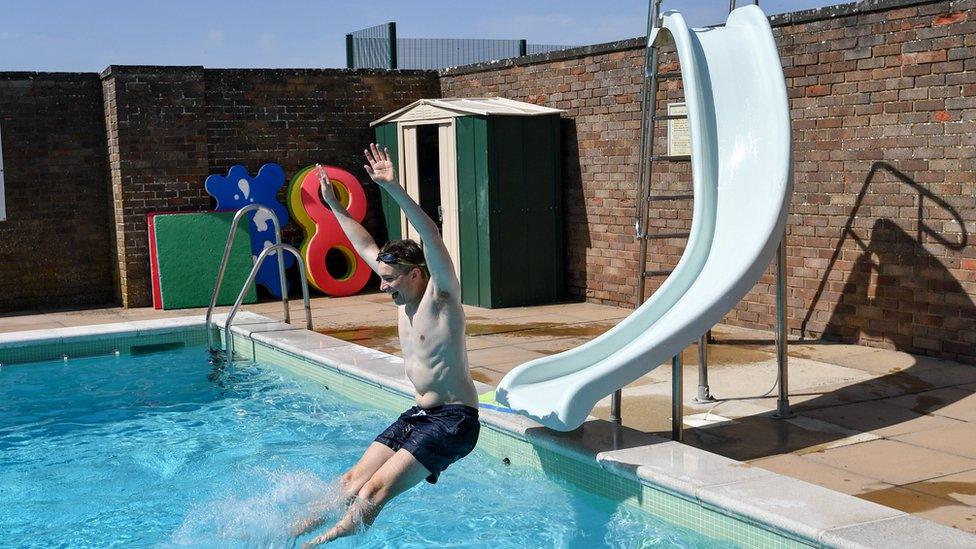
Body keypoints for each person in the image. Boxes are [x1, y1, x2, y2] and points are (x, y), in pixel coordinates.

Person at [293, 144, 480, 547]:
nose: (383, 286)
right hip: (419, 414)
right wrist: (334, 208)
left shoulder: (442, 298)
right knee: (348, 484)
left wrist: (392, 187)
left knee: (371, 493)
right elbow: (364, 245)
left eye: (390, 280)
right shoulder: (401, 292)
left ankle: (320, 544)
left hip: (454, 421)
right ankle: (288, 535)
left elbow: (430, 234)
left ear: (415, 274)